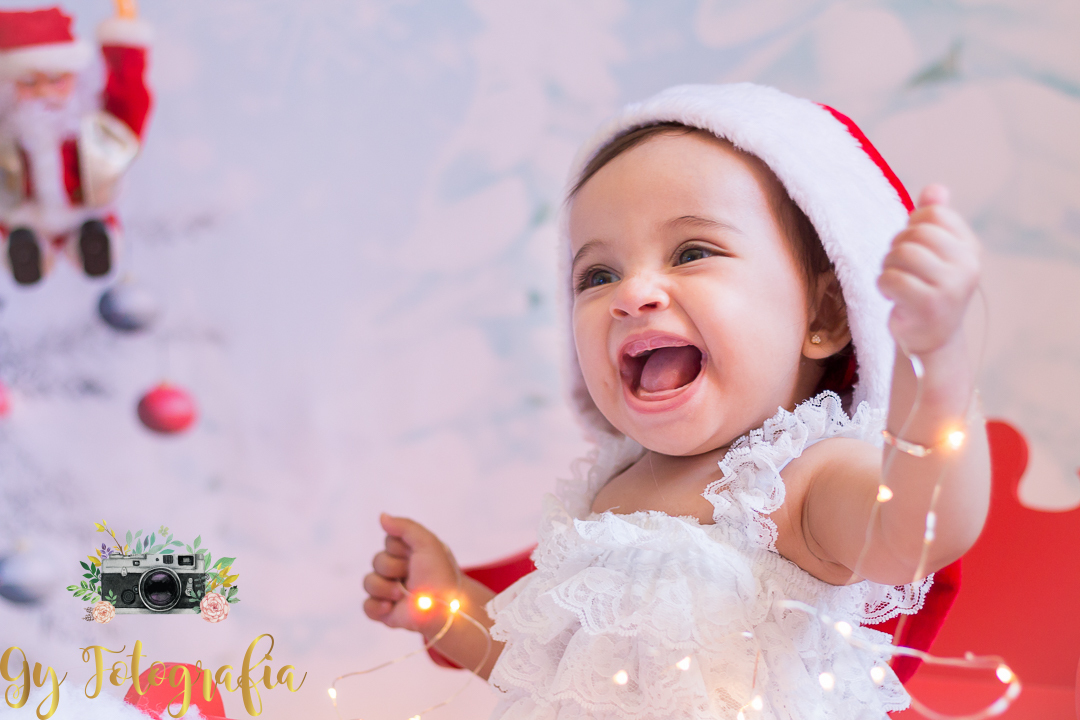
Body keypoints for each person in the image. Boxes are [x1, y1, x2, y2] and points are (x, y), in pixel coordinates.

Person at [363, 84, 990, 718]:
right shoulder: (608, 492)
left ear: (825, 315)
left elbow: (920, 527)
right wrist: (448, 605)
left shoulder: (798, 483)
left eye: (692, 253)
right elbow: (550, 668)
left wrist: (936, 364)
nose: (631, 293)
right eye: (598, 275)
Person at [0, 5, 152, 285]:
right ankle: (27, 252)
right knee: (16, 231)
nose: (44, 92)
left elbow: (130, 103)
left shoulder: (90, 123)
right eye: (29, 83)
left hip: (86, 206)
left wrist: (125, 47)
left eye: (56, 81)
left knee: (95, 231)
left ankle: (91, 245)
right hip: (21, 211)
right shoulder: (8, 126)